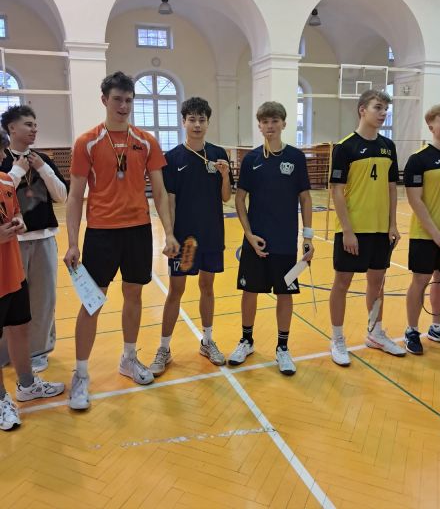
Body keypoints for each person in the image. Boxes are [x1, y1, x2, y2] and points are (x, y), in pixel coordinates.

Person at [64, 71, 179, 411]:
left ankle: (128, 357)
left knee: (134, 294)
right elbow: (74, 197)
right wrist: (73, 242)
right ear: (104, 100)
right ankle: (81, 374)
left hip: (138, 230)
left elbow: (160, 191)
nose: (124, 106)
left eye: (129, 100)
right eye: (117, 99)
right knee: (92, 302)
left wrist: (169, 232)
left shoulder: (146, 141)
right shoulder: (87, 142)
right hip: (101, 232)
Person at [228, 101, 314, 376]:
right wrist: (248, 234)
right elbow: (239, 199)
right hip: (256, 241)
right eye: (265, 121)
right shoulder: (251, 159)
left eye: (275, 121)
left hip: (285, 242)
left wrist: (308, 236)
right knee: (249, 291)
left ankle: (283, 348)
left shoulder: (296, 158)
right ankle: (246, 341)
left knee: (285, 293)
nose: (270, 126)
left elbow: (305, 198)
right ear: (260, 125)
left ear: (284, 124)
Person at [149, 97, 232, 375]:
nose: (197, 124)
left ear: (208, 122)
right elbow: (169, 201)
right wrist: (169, 235)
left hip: (212, 235)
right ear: (183, 122)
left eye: (202, 119)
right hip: (185, 241)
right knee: (176, 291)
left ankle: (207, 342)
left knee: (207, 287)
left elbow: (226, 197)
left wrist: (225, 175)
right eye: (192, 119)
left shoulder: (218, 154)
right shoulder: (172, 158)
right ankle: (164, 348)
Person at [328, 89, 405, 366]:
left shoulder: (388, 146)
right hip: (353, 228)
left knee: (377, 281)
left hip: (380, 229)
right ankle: (337, 338)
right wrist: (348, 231)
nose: (383, 113)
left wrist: (392, 223)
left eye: (385, 109)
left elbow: (392, 187)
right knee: (342, 283)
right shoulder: (345, 147)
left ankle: (375, 332)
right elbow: (337, 191)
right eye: (378, 107)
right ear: (362, 110)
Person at [0, 129, 64, 431]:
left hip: (12, 270)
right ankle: (1, 399)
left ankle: (26, 384)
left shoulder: (5, 182)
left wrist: (18, 222)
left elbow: (15, 212)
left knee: (19, 327)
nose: (3, 157)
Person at [403, 104, 440, 354]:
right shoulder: (419, 159)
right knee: (420, 280)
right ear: (431, 126)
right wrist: (435, 233)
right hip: (425, 233)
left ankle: (438, 328)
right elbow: (415, 200)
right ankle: (412, 330)